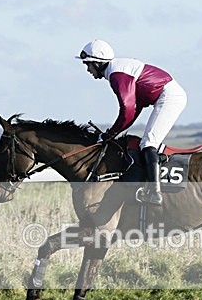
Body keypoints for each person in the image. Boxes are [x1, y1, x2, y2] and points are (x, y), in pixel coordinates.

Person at [77, 39, 187, 205]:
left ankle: (154, 192)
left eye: (88, 64)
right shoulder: (117, 71)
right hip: (164, 95)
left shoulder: (117, 76)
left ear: (97, 63)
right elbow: (133, 110)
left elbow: (127, 110)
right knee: (146, 142)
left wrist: (110, 133)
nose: (87, 69)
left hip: (169, 96)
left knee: (149, 142)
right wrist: (112, 132)